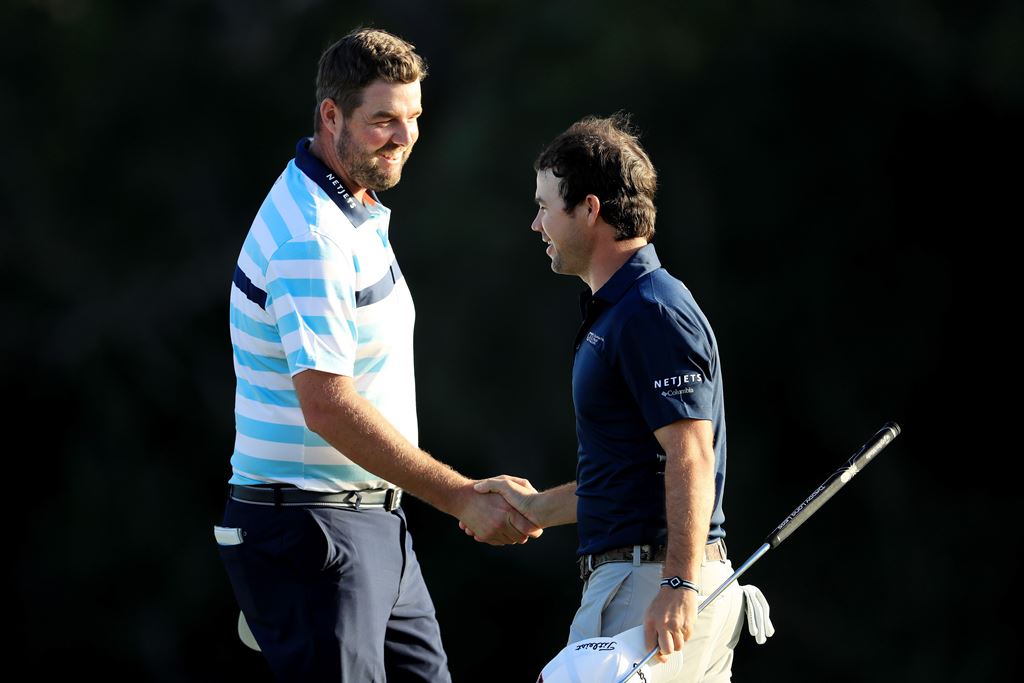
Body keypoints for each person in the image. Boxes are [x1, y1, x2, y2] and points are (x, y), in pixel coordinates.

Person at [214, 28, 540, 683]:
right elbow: (328, 407)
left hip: (368, 524)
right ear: (330, 116)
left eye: (413, 117)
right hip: (309, 531)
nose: (404, 136)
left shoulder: (352, 207)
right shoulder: (312, 239)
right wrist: (462, 496)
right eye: (383, 120)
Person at [468, 114, 773, 681]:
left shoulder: (650, 311)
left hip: (653, 588)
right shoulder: (623, 312)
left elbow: (691, 455)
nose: (536, 224)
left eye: (544, 206)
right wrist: (534, 510)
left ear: (589, 209)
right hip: (653, 580)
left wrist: (678, 584)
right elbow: (634, 479)